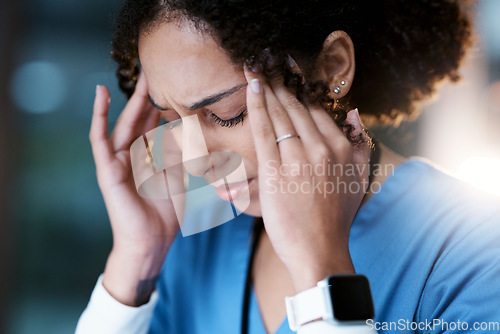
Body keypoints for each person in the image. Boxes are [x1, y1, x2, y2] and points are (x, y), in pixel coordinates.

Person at [76, 0, 500, 333]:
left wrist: (320, 271)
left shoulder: (477, 254)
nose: (194, 160)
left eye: (228, 113)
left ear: (333, 66)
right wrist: (136, 257)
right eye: (171, 119)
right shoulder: (201, 233)